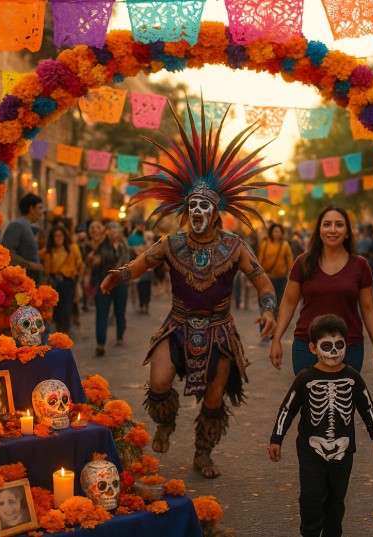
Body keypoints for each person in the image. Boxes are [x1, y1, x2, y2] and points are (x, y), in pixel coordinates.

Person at [100, 101, 277, 478]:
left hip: (219, 330)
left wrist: (268, 308)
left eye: (204, 207)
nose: (197, 211)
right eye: (192, 205)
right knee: (159, 382)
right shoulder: (172, 243)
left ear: (216, 214)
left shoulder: (234, 247)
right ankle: (166, 423)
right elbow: (144, 262)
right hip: (177, 325)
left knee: (214, 400)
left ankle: (203, 453)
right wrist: (120, 273)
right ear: (186, 210)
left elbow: (262, 279)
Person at [268, 314, 373, 537]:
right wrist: (276, 439)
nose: (334, 351)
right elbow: (287, 409)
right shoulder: (305, 378)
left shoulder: (353, 378)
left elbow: (368, 408)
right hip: (310, 452)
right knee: (311, 498)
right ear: (313, 348)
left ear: (347, 345)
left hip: (343, 453)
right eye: (327, 345)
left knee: (336, 502)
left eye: (339, 345)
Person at [269, 205, 373, 376]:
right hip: (308, 347)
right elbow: (288, 302)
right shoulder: (303, 262)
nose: (332, 230)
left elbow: (369, 308)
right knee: (309, 402)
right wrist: (276, 339)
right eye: (327, 224)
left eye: (339, 225)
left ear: (347, 232)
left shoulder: (360, 265)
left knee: (345, 402)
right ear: (319, 230)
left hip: (349, 347)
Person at [91, 221, 130, 356]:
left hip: (121, 284)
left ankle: (120, 335)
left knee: (120, 312)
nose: (114, 231)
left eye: (116, 228)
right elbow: (93, 260)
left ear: (120, 231)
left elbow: (129, 264)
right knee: (102, 313)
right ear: (107, 231)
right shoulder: (101, 245)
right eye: (111, 228)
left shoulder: (124, 246)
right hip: (104, 283)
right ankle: (100, 344)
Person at [40, 223, 84, 333]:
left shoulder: (72, 248)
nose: (58, 238)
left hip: (68, 282)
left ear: (64, 236)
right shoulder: (48, 251)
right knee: (55, 310)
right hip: (54, 282)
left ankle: (64, 333)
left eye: (60, 235)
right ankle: (58, 332)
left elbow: (80, 266)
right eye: (56, 236)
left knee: (66, 309)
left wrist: (78, 284)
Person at [1, 193, 45, 283]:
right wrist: (29, 264)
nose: (41, 212)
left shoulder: (28, 225)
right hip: (21, 280)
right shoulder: (17, 225)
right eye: (40, 208)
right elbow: (7, 252)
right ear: (31, 209)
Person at [257, 222, 293, 307]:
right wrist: (258, 275)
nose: (277, 233)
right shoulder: (265, 244)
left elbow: (289, 261)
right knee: (267, 299)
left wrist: (291, 273)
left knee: (280, 300)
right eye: (275, 231)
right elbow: (260, 261)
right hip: (268, 278)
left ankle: (277, 318)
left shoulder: (285, 245)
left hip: (282, 278)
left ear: (282, 233)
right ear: (271, 232)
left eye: (279, 231)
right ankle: (268, 317)